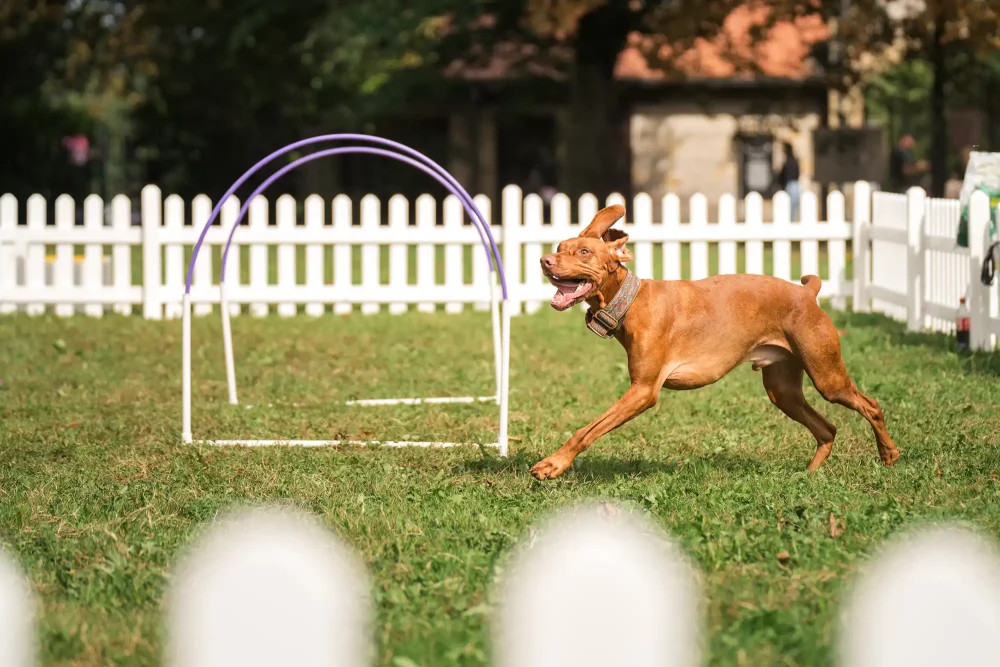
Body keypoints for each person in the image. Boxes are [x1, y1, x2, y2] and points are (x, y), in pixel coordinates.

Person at [776, 141, 801, 220]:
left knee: (790, 210)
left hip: (791, 186)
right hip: (796, 186)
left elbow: (783, 176)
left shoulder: (788, 161)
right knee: (792, 209)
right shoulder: (794, 160)